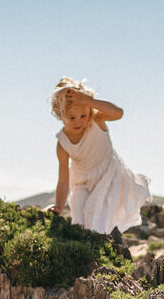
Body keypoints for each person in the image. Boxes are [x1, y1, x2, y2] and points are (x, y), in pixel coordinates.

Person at [47, 78, 151, 234]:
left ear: (90, 110)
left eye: (83, 115)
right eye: (71, 118)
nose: (79, 122)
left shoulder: (97, 120)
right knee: (78, 214)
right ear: (60, 115)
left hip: (107, 178)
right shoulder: (62, 143)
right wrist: (59, 206)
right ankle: (81, 251)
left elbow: (118, 113)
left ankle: (98, 249)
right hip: (80, 181)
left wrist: (88, 100)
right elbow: (63, 179)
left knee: (98, 218)